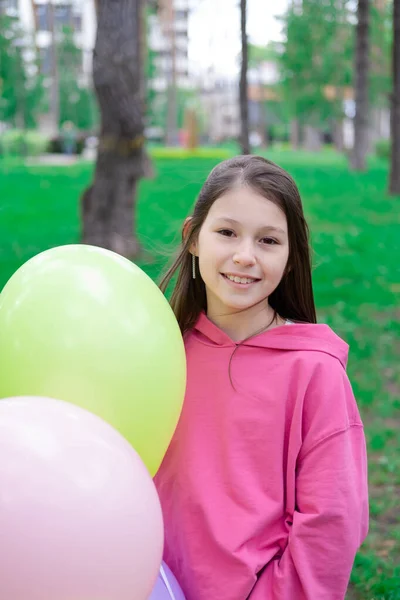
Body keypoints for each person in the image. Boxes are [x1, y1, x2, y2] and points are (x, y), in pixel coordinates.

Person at [154, 155, 369, 600]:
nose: (245, 256)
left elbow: (332, 521)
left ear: (291, 259)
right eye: (227, 232)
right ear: (192, 238)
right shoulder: (160, 351)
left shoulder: (314, 373)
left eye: (268, 240)